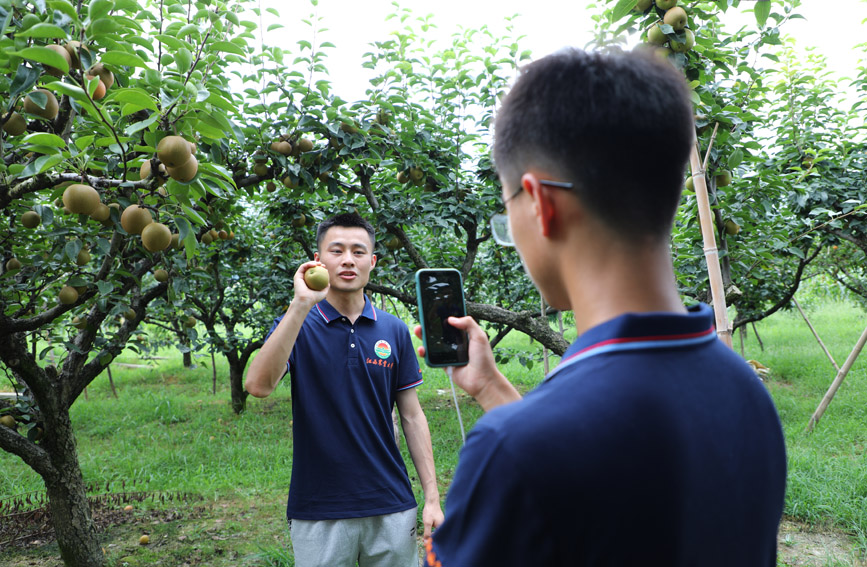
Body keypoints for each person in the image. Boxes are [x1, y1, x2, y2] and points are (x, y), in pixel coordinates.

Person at [419, 49, 787, 566]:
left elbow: (557, 467)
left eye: (507, 210)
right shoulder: (746, 391)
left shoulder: (512, 452)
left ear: (540, 203)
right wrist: (490, 388)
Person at [246, 213, 444, 567]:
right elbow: (258, 386)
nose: (348, 259)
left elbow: (412, 416)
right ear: (318, 260)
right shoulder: (297, 325)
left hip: (390, 503)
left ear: (373, 261)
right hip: (318, 507)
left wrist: (432, 496)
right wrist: (300, 304)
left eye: (358, 251)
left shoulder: (394, 330)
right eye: (336, 251)